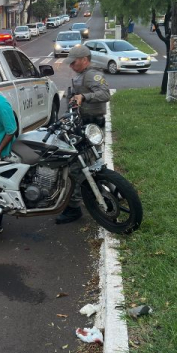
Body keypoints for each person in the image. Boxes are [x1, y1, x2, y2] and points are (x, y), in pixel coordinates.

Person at [56, 45, 110, 225]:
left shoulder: (92, 74)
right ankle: (103, 192)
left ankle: (74, 207)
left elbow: (104, 93)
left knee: (79, 167)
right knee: (90, 162)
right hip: (82, 124)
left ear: (85, 59)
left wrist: (84, 97)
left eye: (74, 62)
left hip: (92, 124)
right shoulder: (80, 75)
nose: (71, 65)